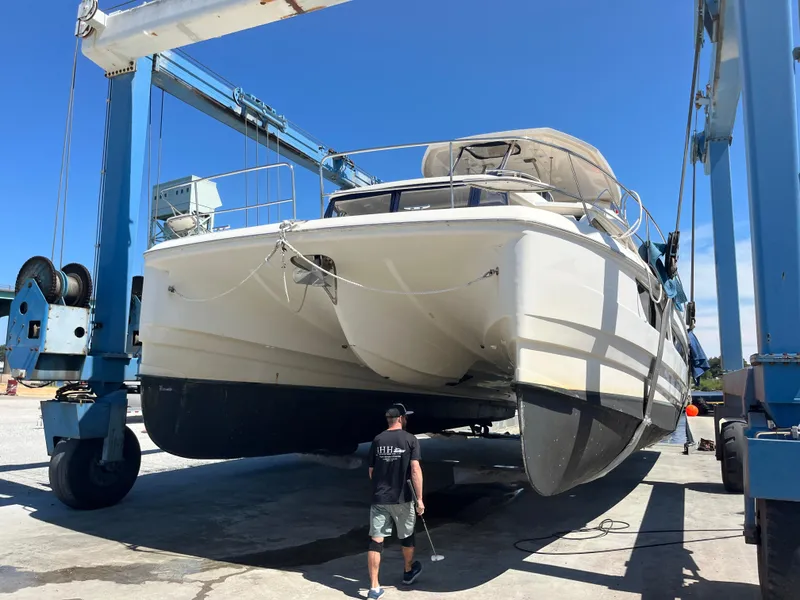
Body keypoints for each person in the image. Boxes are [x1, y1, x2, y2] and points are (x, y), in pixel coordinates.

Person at [366, 403, 424, 599]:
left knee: (376, 541)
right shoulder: (410, 439)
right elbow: (415, 470)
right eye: (405, 416)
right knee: (406, 535)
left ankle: (374, 587)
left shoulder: (377, 439)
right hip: (403, 497)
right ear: (400, 418)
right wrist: (420, 499)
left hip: (380, 498)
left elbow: (372, 471)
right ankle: (408, 571)